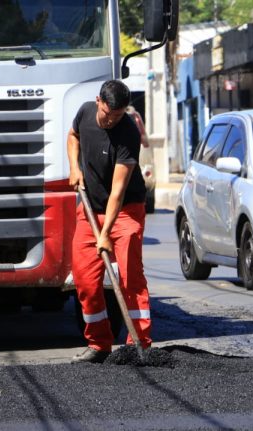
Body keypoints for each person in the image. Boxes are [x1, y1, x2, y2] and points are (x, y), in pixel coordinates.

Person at [67, 80, 151, 363]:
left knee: (130, 278)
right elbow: (73, 136)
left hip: (125, 210)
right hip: (89, 208)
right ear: (98, 101)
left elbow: (117, 191)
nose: (112, 120)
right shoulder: (85, 113)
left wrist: (104, 233)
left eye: (119, 115)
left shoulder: (128, 132)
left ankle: (139, 343)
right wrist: (74, 168)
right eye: (108, 114)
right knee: (85, 281)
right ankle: (99, 343)